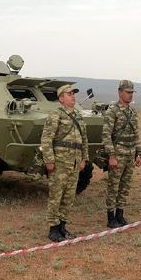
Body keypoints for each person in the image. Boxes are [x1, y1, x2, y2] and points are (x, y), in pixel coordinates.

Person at [40, 84, 89, 242]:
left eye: (73, 93)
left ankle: (62, 226)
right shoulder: (56, 115)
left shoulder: (78, 116)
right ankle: (53, 229)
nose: (73, 96)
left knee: (69, 197)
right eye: (69, 94)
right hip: (60, 163)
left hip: (74, 163)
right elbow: (47, 139)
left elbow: (84, 140)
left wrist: (84, 159)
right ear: (61, 98)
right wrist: (49, 160)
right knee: (56, 196)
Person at [102, 80, 141, 228]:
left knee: (125, 186)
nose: (130, 95)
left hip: (130, 153)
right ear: (120, 92)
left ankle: (120, 214)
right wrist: (111, 155)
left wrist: (139, 153)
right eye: (128, 92)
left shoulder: (132, 112)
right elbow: (106, 135)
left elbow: (136, 133)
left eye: (132, 93)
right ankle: (110, 217)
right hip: (117, 154)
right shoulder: (112, 110)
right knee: (113, 186)